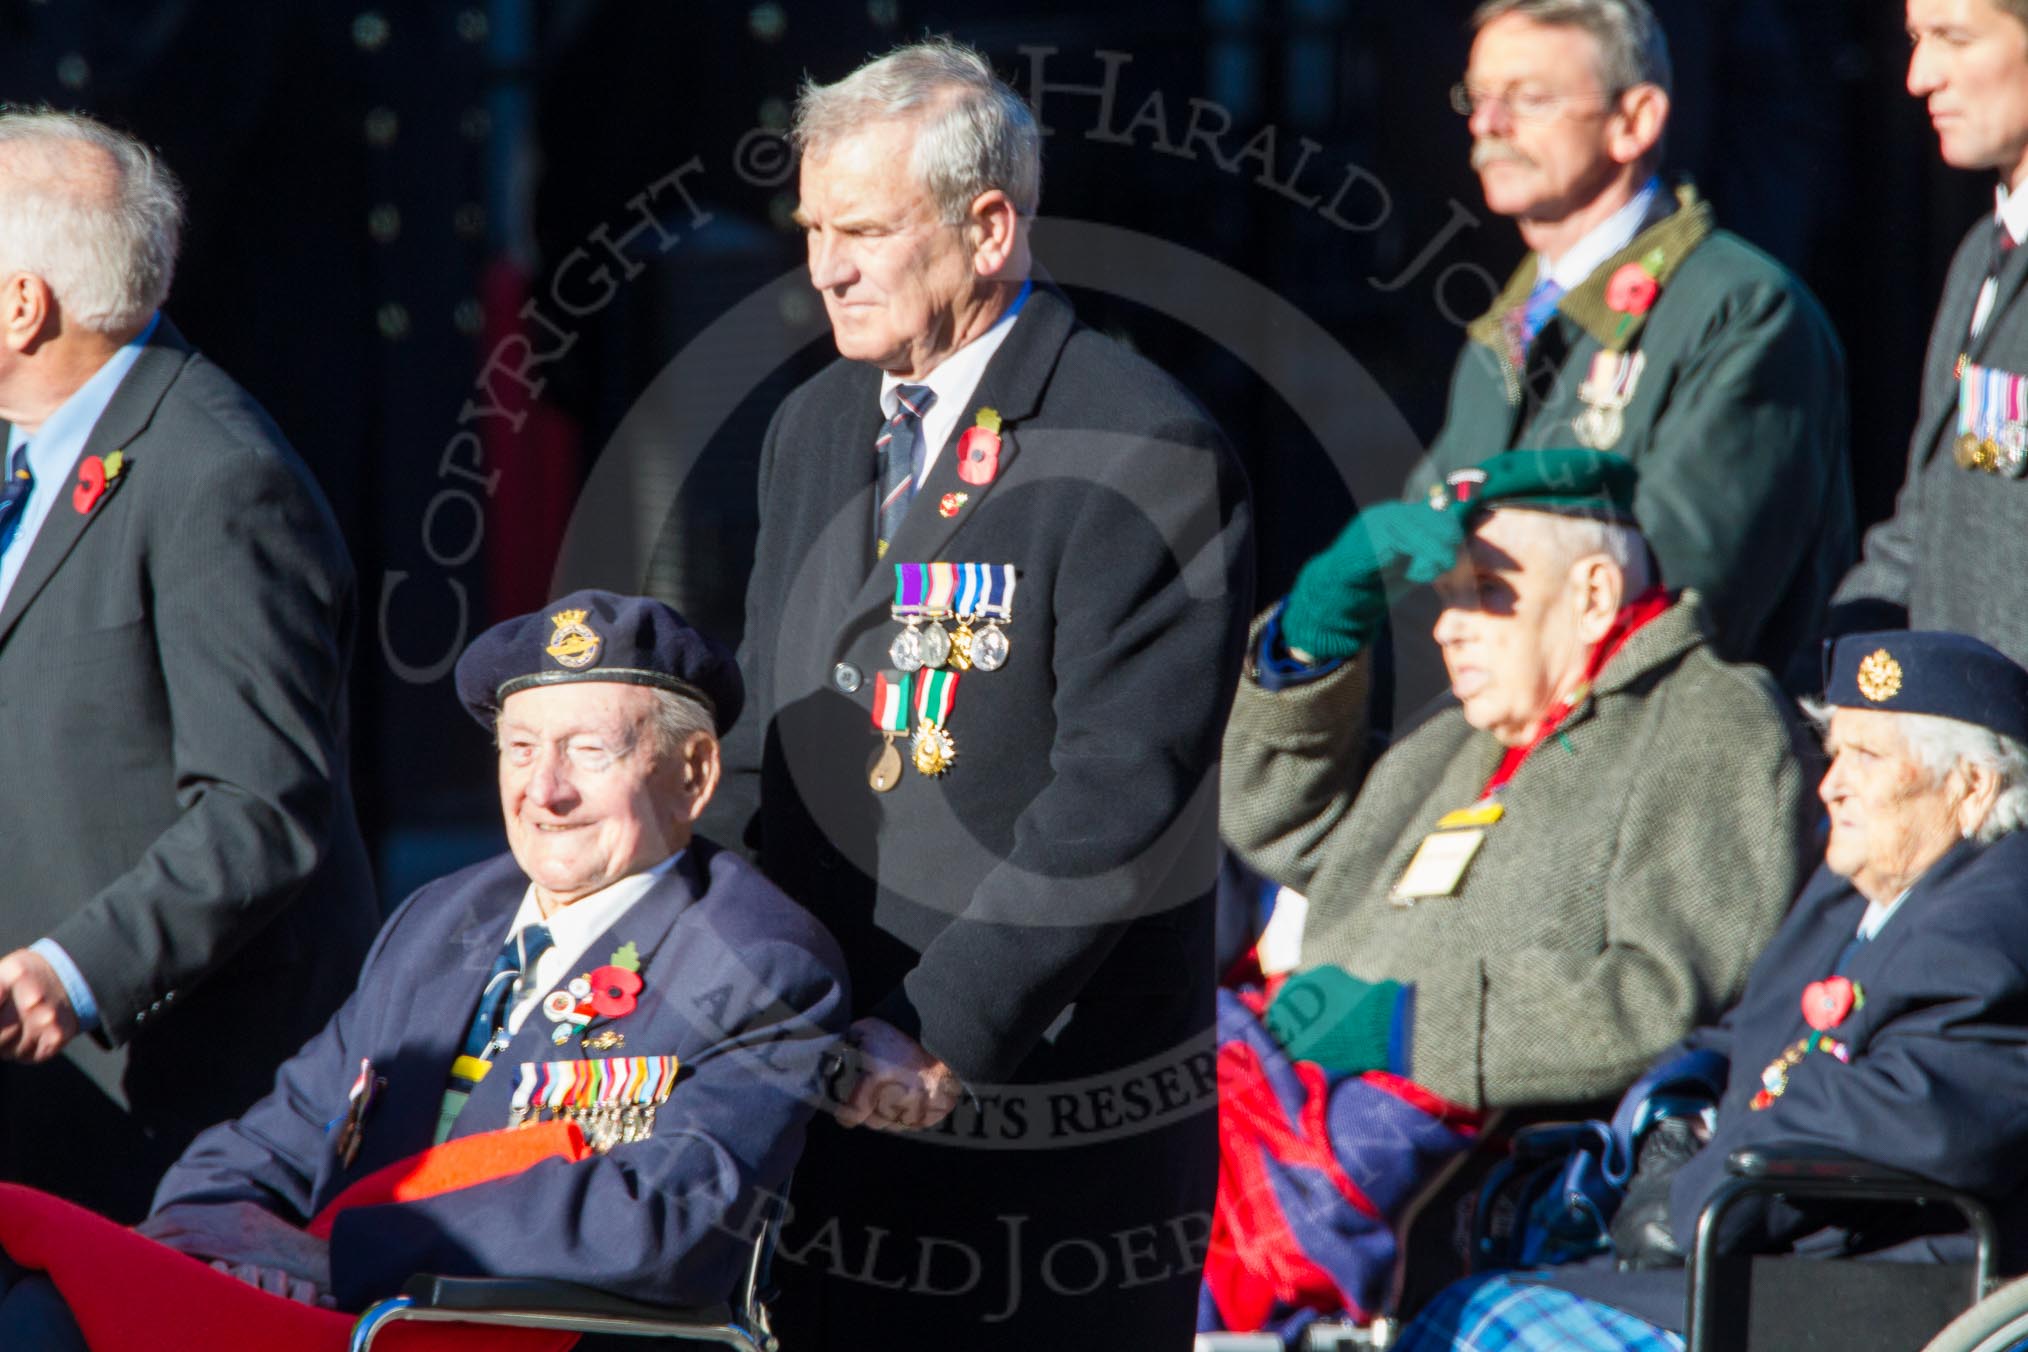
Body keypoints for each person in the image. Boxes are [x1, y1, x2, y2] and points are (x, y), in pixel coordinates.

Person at [700, 37, 1254, 1348]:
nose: (825, 263)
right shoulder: (815, 426)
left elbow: (1120, 798)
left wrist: (939, 1031)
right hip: (829, 1095)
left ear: (989, 225)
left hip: (1032, 1114)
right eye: (814, 227)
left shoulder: (1142, 441)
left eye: (865, 230)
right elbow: (771, 738)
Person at [0, 590, 851, 1349]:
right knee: (41, 1296)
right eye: (520, 749)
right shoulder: (446, 916)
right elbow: (283, 1129)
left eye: (587, 750)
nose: (542, 790)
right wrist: (213, 1223)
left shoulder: (758, 960)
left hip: (510, 1335)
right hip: (344, 1318)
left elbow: (666, 1225)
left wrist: (341, 1251)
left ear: (692, 774)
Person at [1210, 449, 1813, 1331]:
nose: (1450, 627)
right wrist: (1312, 638)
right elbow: (1273, 826)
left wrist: (1402, 1026)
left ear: (1595, 595)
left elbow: (1663, 995)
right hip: (1277, 1090)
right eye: (1447, 598)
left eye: (1487, 592)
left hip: (1433, 1155)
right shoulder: (1466, 733)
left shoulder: (1711, 719)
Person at [1396, 630, 2028, 1350]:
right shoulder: (1857, 889)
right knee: (1461, 1304)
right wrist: (1672, 1111)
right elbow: (1750, 1029)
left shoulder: (1999, 919)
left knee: (1479, 1328)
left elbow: (1914, 1111)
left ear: (1971, 787)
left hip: (1869, 1291)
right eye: (1836, 749)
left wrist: (1697, 1183)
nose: (1831, 784)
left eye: (1869, 758)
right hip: (1763, 1255)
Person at [0, 108, 377, 1219]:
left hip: (171, 1107)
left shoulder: (219, 475)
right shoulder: (27, 451)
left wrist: (70, 969)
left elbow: (263, 808)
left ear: (24, 303)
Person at [1404, 0, 1851, 677]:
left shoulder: (1739, 309)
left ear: (1634, 121)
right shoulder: (1506, 328)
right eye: (1479, 97)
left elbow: (1685, 594)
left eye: (1528, 98)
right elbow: (1411, 563)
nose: (1488, 125)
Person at [1831, 0, 2028, 669]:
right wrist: (1830, 671)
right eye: (1917, 39)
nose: (1919, 76)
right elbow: (1929, 522)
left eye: (1955, 38)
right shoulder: (1983, 253)